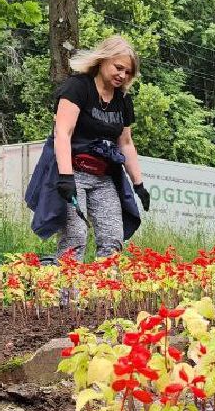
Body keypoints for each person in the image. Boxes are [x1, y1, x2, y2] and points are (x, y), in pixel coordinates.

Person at [25, 35, 149, 262]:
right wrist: (65, 177)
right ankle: (64, 296)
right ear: (103, 60)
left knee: (113, 238)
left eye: (128, 72)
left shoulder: (122, 101)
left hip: (103, 177)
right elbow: (62, 133)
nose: (122, 75)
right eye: (118, 67)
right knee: (75, 236)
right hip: (73, 171)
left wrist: (139, 184)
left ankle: (104, 295)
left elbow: (126, 143)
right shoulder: (77, 87)